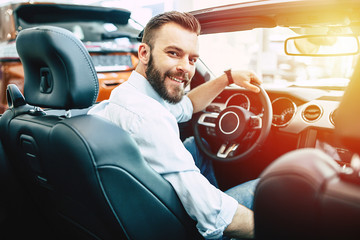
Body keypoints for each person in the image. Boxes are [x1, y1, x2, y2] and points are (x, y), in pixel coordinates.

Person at [89, 11, 262, 239]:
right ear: (144, 53)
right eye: (173, 53)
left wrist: (228, 78)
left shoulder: (129, 95)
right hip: (178, 226)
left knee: (198, 146)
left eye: (192, 59)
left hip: (142, 205)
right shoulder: (148, 117)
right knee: (276, 185)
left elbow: (187, 105)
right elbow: (212, 213)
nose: (186, 68)